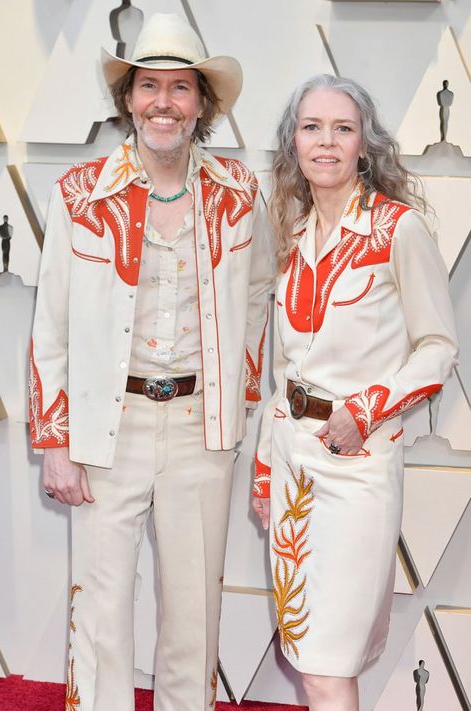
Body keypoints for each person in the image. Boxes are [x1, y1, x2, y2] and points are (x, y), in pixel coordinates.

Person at [29, 13, 272, 711]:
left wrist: (237, 397)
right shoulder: (80, 194)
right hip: (108, 428)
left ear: (203, 102)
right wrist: (55, 442)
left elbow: (258, 296)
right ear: (128, 98)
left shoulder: (237, 193)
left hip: (201, 430)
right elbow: (52, 327)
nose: (163, 102)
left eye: (180, 88)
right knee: (100, 612)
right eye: (148, 86)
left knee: (193, 616)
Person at [253, 74, 458, 711]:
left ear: (364, 144)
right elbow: (282, 366)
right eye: (311, 127)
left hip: (358, 465)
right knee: (309, 654)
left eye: (342, 128)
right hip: (292, 464)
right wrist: (265, 467)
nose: (326, 142)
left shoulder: (399, 230)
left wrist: (364, 412)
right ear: (294, 143)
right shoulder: (288, 236)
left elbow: (438, 349)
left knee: (330, 657)